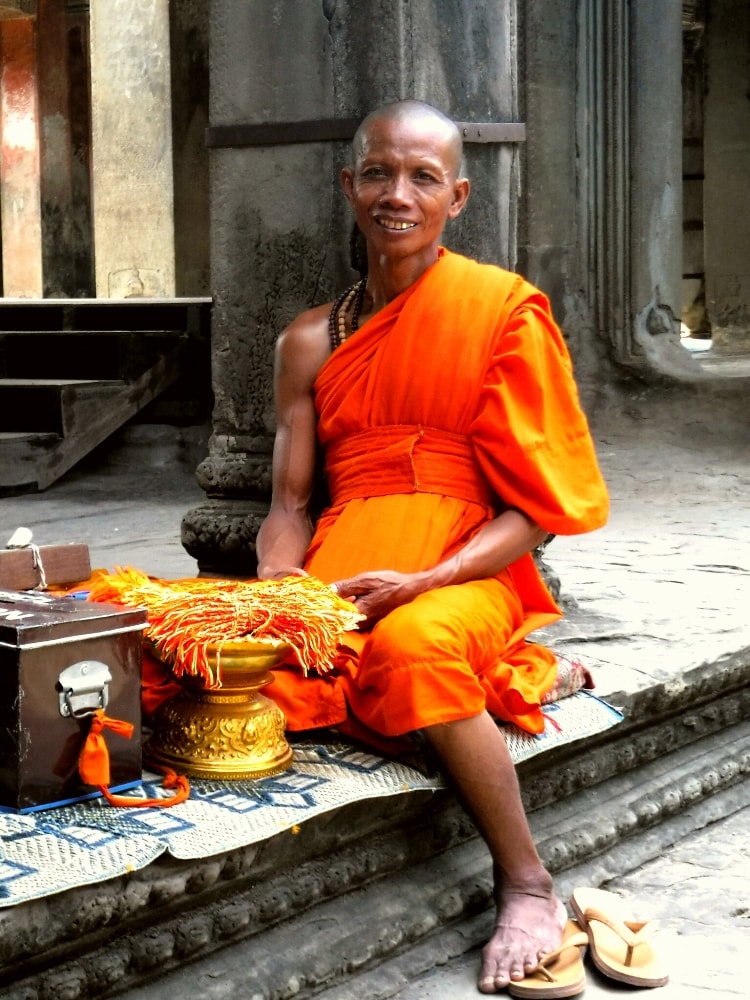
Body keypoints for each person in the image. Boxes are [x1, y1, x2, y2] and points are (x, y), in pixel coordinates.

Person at [255, 99, 609, 994]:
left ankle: (525, 882)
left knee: (412, 653)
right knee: (213, 661)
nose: (396, 194)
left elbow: (536, 511)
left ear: (457, 195)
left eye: (421, 178)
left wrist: (431, 578)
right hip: (349, 566)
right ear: (350, 185)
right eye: (378, 173)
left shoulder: (502, 312)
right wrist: (277, 589)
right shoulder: (308, 339)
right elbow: (290, 503)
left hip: (466, 564)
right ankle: (505, 684)